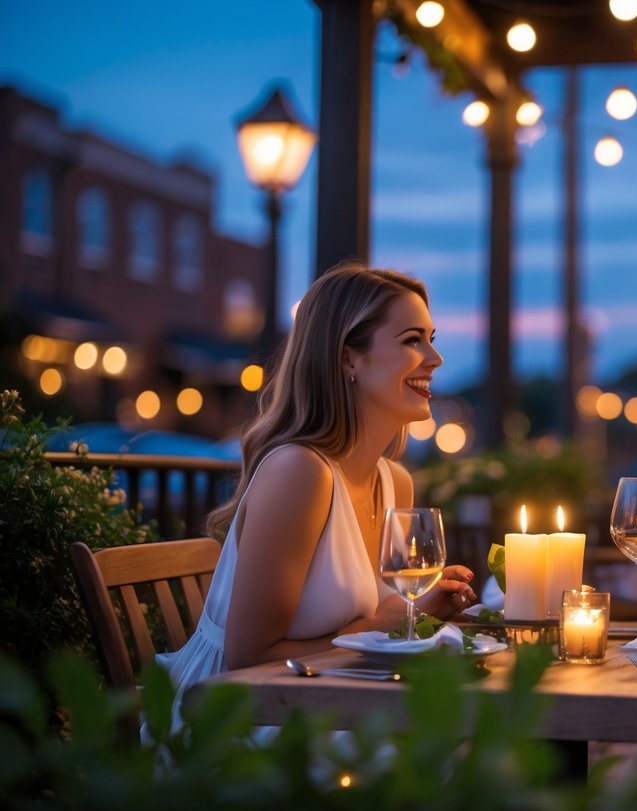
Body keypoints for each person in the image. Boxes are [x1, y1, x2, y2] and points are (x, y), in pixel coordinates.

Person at [158, 262, 477, 705]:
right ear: (348, 356)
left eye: (431, 339)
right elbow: (247, 657)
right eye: (412, 340)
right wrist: (373, 631)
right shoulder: (299, 473)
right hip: (234, 716)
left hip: (330, 701)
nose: (435, 358)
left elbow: (376, 617)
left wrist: (415, 612)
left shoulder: (395, 483)